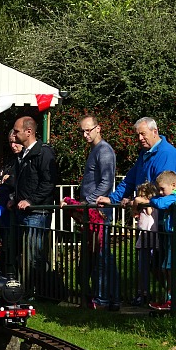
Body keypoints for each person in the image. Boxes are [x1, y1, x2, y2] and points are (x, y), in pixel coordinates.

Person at [9, 116, 58, 293]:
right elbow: (23, 181)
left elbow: (48, 182)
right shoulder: (24, 154)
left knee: (34, 254)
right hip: (23, 211)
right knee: (25, 254)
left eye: (16, 130)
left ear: (28, 131)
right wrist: (14, 198)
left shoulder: (43, 153)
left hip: (37, 212)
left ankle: (39, 290)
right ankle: (29, 290)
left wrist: (31, 200)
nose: (14, 134)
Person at [133, 171, 176, 311]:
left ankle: (175, 301)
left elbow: (160, 203)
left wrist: (147, 200)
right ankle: (170, 299)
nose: (160, 192)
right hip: (173, 237)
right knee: (166, 268)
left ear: (173, 185)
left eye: (162, 189)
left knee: (173, 269)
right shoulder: (173, 196)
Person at [77, 115, 119, 310]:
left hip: (99, 210)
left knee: (102, 255)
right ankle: (109, 297)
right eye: (82, 131)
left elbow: (106, 182)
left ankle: (105, 298)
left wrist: (89, 201)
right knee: (101, 255)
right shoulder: (95, 150)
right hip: (93, 209)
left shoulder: (104, 150)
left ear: (98, 128)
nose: (85, 135)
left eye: (88, 130)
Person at [96, 117, 176, 208]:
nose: (140, 138)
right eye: (137, 135)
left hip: (162, 216)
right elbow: (130, 180)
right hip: (148, 212)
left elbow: (163, 188)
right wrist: (112, 199)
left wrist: (138, 200)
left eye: (143, 134)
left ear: (155, 132)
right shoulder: (145, 153)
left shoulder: (167, 153)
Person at [131, 182, 159, 306]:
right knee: (142, 268)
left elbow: (146, 209)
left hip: (151, 239)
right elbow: (134, 213)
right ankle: (143, 292)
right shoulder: (144, 205)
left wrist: (136, 203)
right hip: (144, 240)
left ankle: (147, 293)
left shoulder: (151, 204)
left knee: (151, 267)